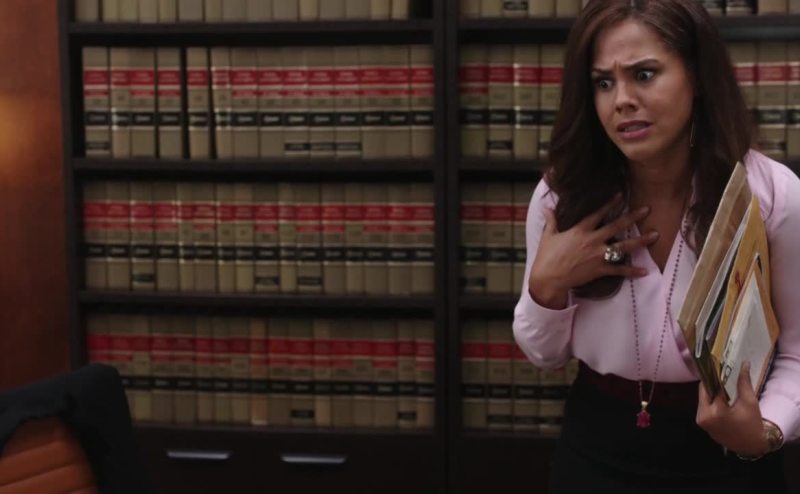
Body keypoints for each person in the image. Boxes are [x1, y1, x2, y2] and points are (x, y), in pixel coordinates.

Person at [511, 0, 800, 492]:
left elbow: (796, 352)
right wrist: (546, 286)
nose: (621, 100)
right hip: (597, 449)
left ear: (697, 77)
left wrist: (765, 429)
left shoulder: (771, 194)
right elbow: (544, 355)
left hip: (730, 450)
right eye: (603, 83)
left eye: (644, 75)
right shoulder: (563, 197)